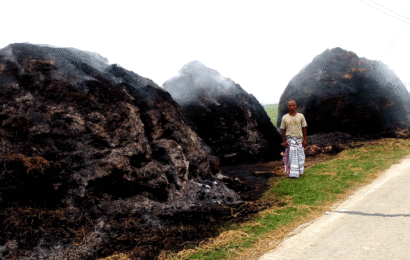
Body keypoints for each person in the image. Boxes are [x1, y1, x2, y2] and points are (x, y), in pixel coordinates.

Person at [280, 100, 308, 178]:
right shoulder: (285, 117)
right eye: (290, 105)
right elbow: (283, 129)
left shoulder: (301, 116)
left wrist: (305, 140)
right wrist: (284, 141)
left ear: (296, 106)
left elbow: (304, 128)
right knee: (291, 157)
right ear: (287, 107)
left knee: (300, 156)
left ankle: (300, 172)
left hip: (299, 140)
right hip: (290, 141)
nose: (292, 107)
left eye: (293, 105)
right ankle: (292, 174)